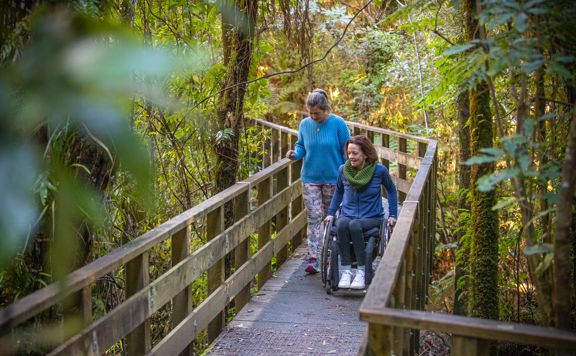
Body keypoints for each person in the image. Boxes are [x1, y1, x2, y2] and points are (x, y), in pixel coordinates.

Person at [286, 89, 351, 274]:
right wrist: (295, 154)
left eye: (317, 113)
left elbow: (347, 150)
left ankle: (331, 253)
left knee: (331, 218)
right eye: (310, 113)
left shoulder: (338, 124)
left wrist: (348, 175)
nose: (313, 116)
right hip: (311, 179)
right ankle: (313, 257)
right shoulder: (305, 124)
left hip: (333, 179)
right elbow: (301, 145)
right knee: (314, 217)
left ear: (326, 109)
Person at [325, 135, 398, 289]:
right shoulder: (343, 170)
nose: (351, 156)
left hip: (371, 217)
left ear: (365, 154)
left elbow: (391, 190)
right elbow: (338, 193)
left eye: (355, 153)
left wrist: (392, 215)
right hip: (348, 214)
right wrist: (331, 213)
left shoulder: (379, 171)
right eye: (349, 153)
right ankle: (346, 271)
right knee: (343, 223)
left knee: (354, 225)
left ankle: (361, 271)